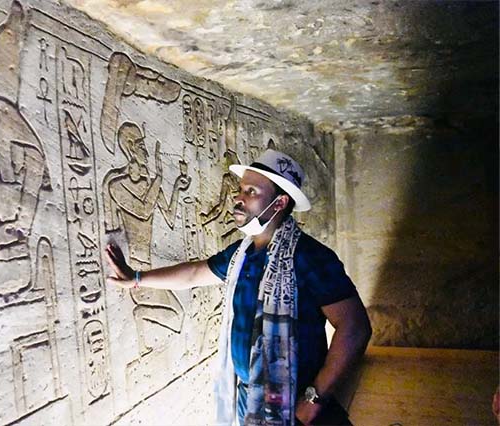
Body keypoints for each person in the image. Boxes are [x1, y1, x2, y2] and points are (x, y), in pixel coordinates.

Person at [105, 148, 372, 426]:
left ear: (279, 203)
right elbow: (195, 274)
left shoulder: (309, 257)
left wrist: (313, 401)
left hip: (296, 404)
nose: (238, 198)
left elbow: (354, 328)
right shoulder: (241, 255)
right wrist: (136, 278)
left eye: (251, 192)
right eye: (241, 190)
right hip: (252, 401)